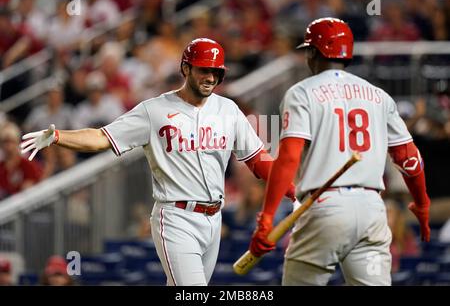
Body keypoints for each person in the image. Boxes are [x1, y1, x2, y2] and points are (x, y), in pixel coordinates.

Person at [20, 38, 296, 286]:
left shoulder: (228, 110)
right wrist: (58, 136)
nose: (210, 77)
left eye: (216, 72)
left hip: (214, 219)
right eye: (204, 69)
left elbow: (259, 161)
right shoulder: (154, 111)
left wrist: (294, 191)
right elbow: (102, 137)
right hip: (176, 217)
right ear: (186, 69)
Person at [249, 18, 431, 286]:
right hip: (372, 209)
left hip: (325, 206)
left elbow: (289, 157)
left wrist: (266, 218)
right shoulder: (379, 96)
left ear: (313, 52)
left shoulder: (302, 92)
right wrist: (422, 205)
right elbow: (410, 160)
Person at [0, 122, 42, 200]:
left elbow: (39, 182)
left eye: (11, 141)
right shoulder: (1, 167)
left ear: (17, 142)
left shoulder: (27, 163)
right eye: (5, 142)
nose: (8, 146)